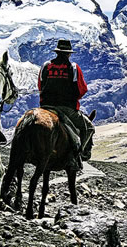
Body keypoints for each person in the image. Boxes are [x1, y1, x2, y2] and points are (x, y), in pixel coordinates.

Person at [38, 39, 95, 170]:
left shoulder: (46, 66)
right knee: (89, 128)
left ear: (57, 52)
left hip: (46, 106)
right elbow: (82, 89)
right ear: (69, 54)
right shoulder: (73, 67)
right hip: (66, 107)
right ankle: (77, 155)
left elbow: (40, 86)